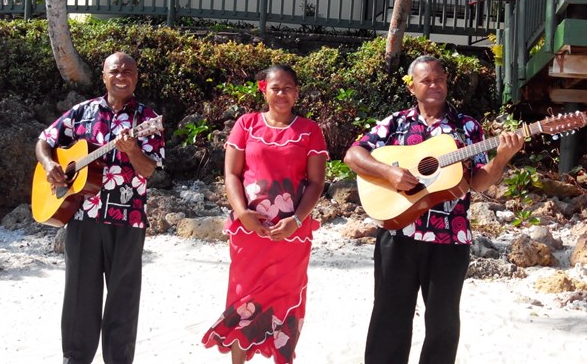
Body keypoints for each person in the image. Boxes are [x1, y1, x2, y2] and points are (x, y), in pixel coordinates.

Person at [344, 55, 524, 364]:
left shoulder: (466, 126)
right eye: (425, 80)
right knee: (389, 318)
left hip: (449, 238)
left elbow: (479, 182)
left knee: (443, 324)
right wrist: (389, 173)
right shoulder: (397, 123)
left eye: (439, 79)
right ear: (412, 86)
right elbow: (353, 155)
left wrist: (503, 157)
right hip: (398, 232)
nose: (433, 85)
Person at [35, 52, 165, 364]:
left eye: (129, 71)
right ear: (104, 76)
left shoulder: (147, 121)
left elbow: (148, 170)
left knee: (123, 297)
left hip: (128, 218)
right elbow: (44, 140)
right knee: (80, 296)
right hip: (82, 216)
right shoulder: (82, 113)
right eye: (116, 70)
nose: (123, 76)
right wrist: (51, 163)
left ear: (136, 77)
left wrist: (133, 149)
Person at [202, 64, 329, 364]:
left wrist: (296, 220)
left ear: (297, 93)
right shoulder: (246, 125)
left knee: (287, 297)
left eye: (288, 87)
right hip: (249, 233)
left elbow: (317, 182)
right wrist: (242, 212)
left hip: (292, 234)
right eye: (276, 87)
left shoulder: (310, 131)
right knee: (243, 297)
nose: (281, 93)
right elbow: (231, 174)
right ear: (264, 90)